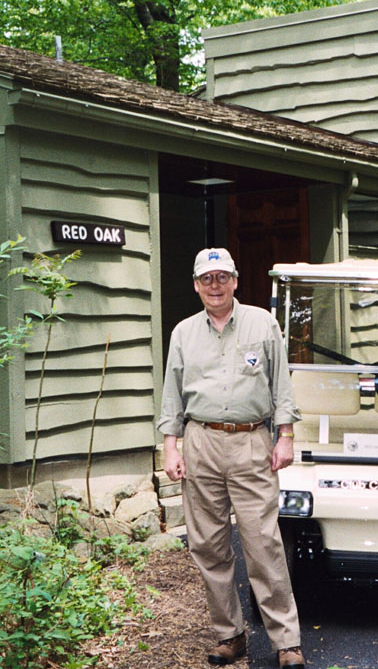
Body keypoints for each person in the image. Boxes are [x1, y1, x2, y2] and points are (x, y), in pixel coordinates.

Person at [158, 247, 305, 668]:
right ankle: (230, 635)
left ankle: (287, 642)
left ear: (235, 281)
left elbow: (281, 384)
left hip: (251, 443)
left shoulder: (262, 323)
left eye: (223, 277)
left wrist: (285, 436)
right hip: (200, 442)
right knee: (209, 546)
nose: (215, 285)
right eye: (207, 278)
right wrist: (171, 445)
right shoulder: (183, 333)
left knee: (263, 544)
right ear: (196, 285)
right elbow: (172, 393)